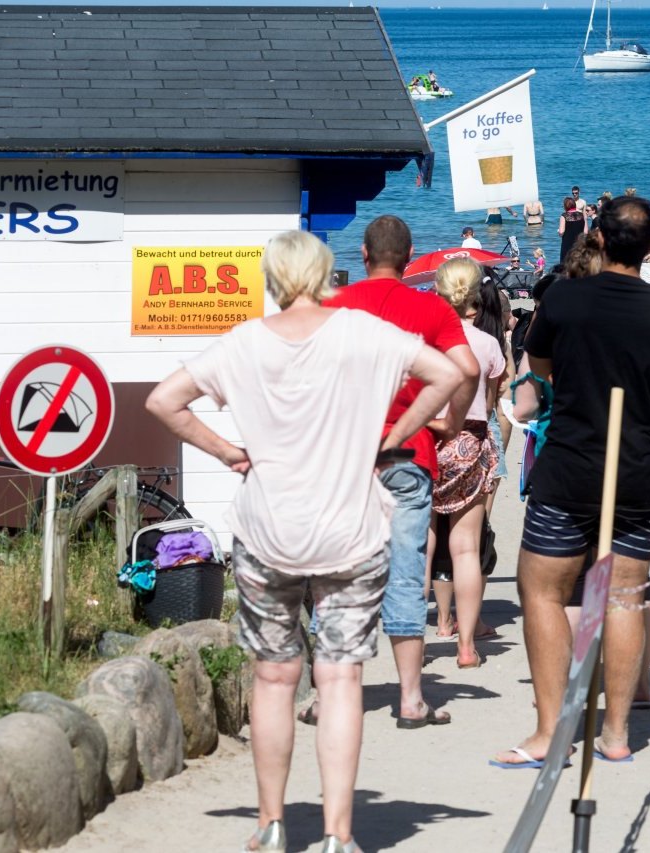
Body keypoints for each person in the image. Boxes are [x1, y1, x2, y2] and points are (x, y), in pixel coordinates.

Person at [146, 230, 463, 853]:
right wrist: (393, 434)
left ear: (271, 277)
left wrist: (231, 453)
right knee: (341, 678)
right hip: (349, 527)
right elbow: (449, 372)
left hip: (268, 531)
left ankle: (270, 824)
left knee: (273, 678)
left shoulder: (243, 344)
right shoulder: (362, 332)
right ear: (324, 274)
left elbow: (164, 400)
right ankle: (339, 835)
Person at [493, 196, 650, 768]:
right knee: (625, 595)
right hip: (636, 470)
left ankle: (551, 730)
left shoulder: (565, 297)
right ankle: (617, 731)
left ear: (596, 237)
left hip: (571, 466)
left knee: (543, 592)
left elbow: (542, 370)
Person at [321, 215, 480, 733]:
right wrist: (448, 423)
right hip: (411, 453)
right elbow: (468, 369)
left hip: (347, 456)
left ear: (363, 256)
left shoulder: (335, 308)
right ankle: (411, 699)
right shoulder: (430, 308)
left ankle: (329, 698)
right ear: (409, 258)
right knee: (407, 572)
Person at [427, 259, 505, 669]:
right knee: (465, 549)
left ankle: (416, 644)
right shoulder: (488, 345)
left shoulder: (424, 341)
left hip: (426, 440)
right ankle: (467, 647)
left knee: (423, 547)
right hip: (470, 442)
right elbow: (490, 403)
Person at [558, 196, 587, 264]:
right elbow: (585, 232)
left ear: (566, 206)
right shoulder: (582, 215)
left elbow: (561, 232)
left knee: (566, 263)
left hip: (567, 243)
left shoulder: (564, 216)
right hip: (579, 243)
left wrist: (559, 232)